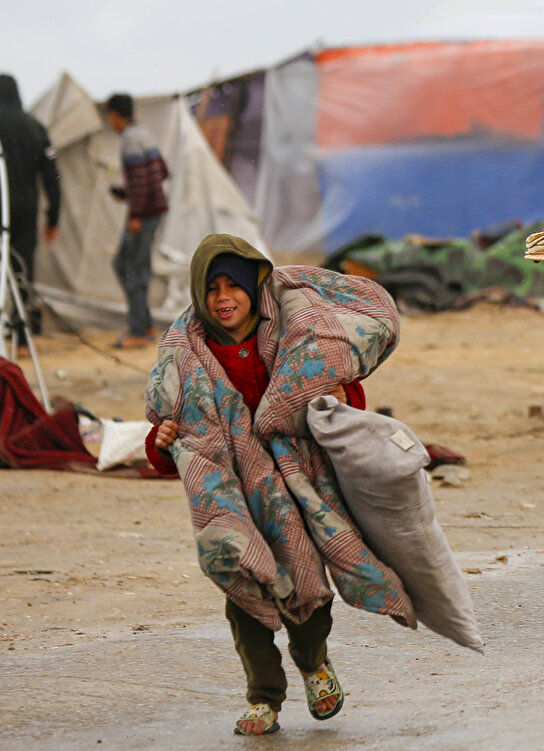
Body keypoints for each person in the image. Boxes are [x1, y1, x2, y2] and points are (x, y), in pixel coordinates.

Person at [145, 234, 411, 735]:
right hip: (234, 495)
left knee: (307, 586)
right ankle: (263, 696)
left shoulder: (295, 331)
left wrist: (342, 394)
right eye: (213, 288)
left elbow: (334, 390)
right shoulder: (186, 355)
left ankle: (313, 665)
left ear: (253, 288)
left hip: (295, 484)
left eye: (234, 287)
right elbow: (176, 442)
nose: (224, 298)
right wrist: (162, 442)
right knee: (244, 581)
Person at [0, 73, 61, 337]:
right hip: (25, 210)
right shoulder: (36, 127)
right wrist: (54, 216)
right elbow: (52, 175)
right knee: (21, 272)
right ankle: (20, 334)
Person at [105, 93, 168, 349]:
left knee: (127, 265)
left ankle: (139, 330)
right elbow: (161, 171)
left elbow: (142, 178)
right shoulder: (144, 134)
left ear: (115, 115)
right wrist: (127, 193)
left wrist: (135, 214)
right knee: (136, 266)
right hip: (152, 210)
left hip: (144, 214)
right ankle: (144, 323)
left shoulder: (130, 140)